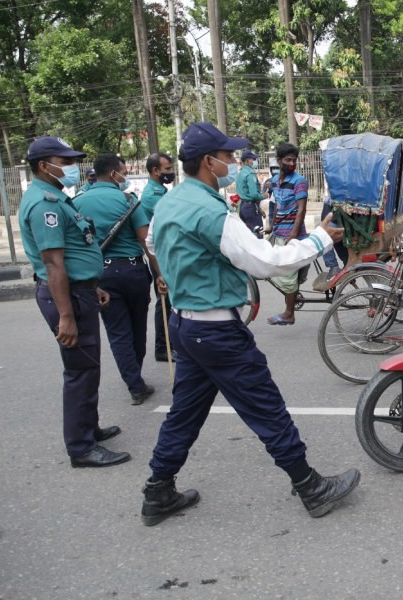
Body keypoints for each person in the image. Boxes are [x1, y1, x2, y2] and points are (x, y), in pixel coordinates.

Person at [141, 121, 359, 526]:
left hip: (186, 327)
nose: (233, 162)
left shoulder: (169, 203)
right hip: (218, 330)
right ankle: (311, 487)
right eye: (226, 156)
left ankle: (158, 492)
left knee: (184, 414)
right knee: (267, 409)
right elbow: (265, 261)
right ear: (209, 162)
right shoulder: (209, 210)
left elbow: (153, 244)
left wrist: (186, 268)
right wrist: (320, 240)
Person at [18, 136, 130, 468]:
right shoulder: (45, 204)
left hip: (79, 291)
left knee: (88, 365)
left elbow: (74, 254)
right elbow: (53, 263)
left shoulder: (56, 197)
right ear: (43, 165)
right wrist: (66, 315)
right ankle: (81, 448)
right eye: (64, 161)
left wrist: (89, 287)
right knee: (80, 369)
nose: (72, 167)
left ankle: (88, 428)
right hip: (66, 297)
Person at [74, 155, 156, 405]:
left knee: (118, 333)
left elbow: (75, 245)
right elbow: (146, 241)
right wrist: (160, 274)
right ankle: (135, 377)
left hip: (100, 275)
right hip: (132, 272)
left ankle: (134, 383)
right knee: (137, 328)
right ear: (113, 174)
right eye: (123, 172)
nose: (126, 176)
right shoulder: (128, 200)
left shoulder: (76, 203)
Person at [265, 143, 310, 325]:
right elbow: (276, 206)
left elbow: (301, 210)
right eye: (287, 160)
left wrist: (293, 234)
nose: (291, 163)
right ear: (279, 161)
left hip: (292, 234)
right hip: (278, 232)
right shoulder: (275, 181)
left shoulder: (299, 181)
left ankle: (289, 313)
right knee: (270, 267)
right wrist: (271, 225)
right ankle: (292, 297)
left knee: (288, 276)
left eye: (294, 160)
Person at [140, 152, 175, 362]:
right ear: (155, 171)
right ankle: (163, 348)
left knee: (171, 300)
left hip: (168, 252)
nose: (171, 173)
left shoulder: (161, 191)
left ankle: (171, 344)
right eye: (168, 169)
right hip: (160, 254)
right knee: (165, 301)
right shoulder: (152, 195)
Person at [236, 149, 264, 235]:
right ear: (248, 161)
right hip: (250, 208)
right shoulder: (250, 174)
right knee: (258, 235)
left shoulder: (240, 174)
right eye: (253, 159)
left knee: (247, 235)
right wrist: (264, 196)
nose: (255, 161)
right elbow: (254, 195)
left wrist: (259, 208)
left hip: (242, 207)